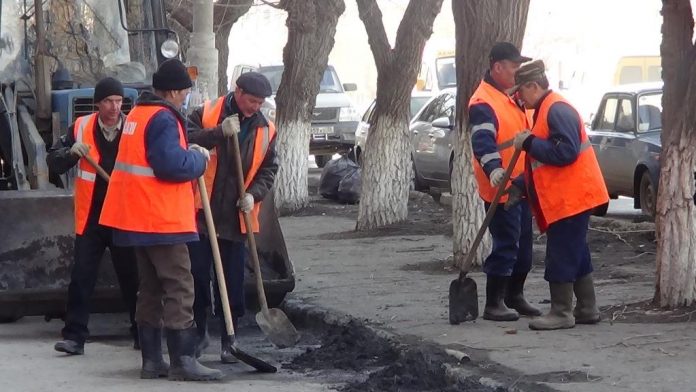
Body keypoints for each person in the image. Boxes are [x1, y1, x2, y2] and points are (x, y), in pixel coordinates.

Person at [99, 59, 222, 381]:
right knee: (180, 285)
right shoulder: (164, 118)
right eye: (183, 93)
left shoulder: (138, 114)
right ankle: (183, 360)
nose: (184, 99)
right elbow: (168, 165)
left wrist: (186, 149)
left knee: (150, 288)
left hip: (135, 217)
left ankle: (152, 361)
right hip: (159, 218)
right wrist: (197, 158)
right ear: (172, 91)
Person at [508, 59, 609, 331]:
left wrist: (529, 142)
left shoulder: (556, 110)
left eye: (520, 90)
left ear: (533, 85)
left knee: (561, 252)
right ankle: (587, 308)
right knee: (576, 251)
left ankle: (561, 312)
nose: (518, 96)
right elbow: (542, 165)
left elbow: (564, 154)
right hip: (570, 197)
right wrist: (520, 183)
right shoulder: (546, 109)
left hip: (571, 198)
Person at [186, 71, 278, 363]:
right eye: (251, 100)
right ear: (237, 92)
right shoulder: (208, 113)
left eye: (260, 102)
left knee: (233, 280)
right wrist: (217, 133)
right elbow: (185, 138)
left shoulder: (266, 129)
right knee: (198, 276)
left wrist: (254, 194)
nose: (255, 107)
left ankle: (230, 338)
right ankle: (199, 332)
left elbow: (268, 170)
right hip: (202, 213)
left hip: (236, 218)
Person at [47, 77, 139, 355]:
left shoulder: (133, 128)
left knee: (133, 277)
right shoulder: (81, 127)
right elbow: (54, 161)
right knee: (82, 276)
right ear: (98, 103)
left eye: (119, 101)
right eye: (109, 101)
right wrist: (71, 153)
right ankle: (75, 336)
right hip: (92, 217)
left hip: (124, 214)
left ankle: (142, 332)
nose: (115, 107)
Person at [468, 42, 540, 321]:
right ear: (498, 67)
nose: (518, 72)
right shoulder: (483, 101)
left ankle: (514, 295)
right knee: (507, 243)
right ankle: (493, 302)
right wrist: (494, 170)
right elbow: (483, 141)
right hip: (500, 186)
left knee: (523, 246)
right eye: (514, 67)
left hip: (521, 185)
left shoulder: (511, 97)